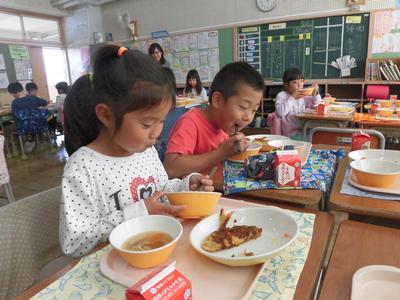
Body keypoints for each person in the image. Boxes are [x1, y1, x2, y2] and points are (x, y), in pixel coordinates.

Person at [60, 45, 213, 257]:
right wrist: (139, 212)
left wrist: (187, 184)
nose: (157, 133)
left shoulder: (145, 151)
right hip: (111, 265)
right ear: (106, 115)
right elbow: (74, 242)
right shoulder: (83, 166)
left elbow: (162, 190)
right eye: (147, 124)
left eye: (161, 122)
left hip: (156, 252)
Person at [164, 62, 265, 179]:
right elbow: (170, 168)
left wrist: (235, 149)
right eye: (243, 107)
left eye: (254, 110)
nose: (248, 117)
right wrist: (222, 152)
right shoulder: (190, 123)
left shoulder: (224, 127)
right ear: (218, 100)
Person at [275, 68, 321, 139]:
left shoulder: (302, 95)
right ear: (286, 84)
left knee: (318, 135)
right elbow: (280, 113)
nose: (300, 85)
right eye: (295, 82)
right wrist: (293, 97)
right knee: (315, 139)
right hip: (290, 134)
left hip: (303, 129)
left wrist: (315, 93)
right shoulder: (282, 95)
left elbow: (316, 104)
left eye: (301, 81)